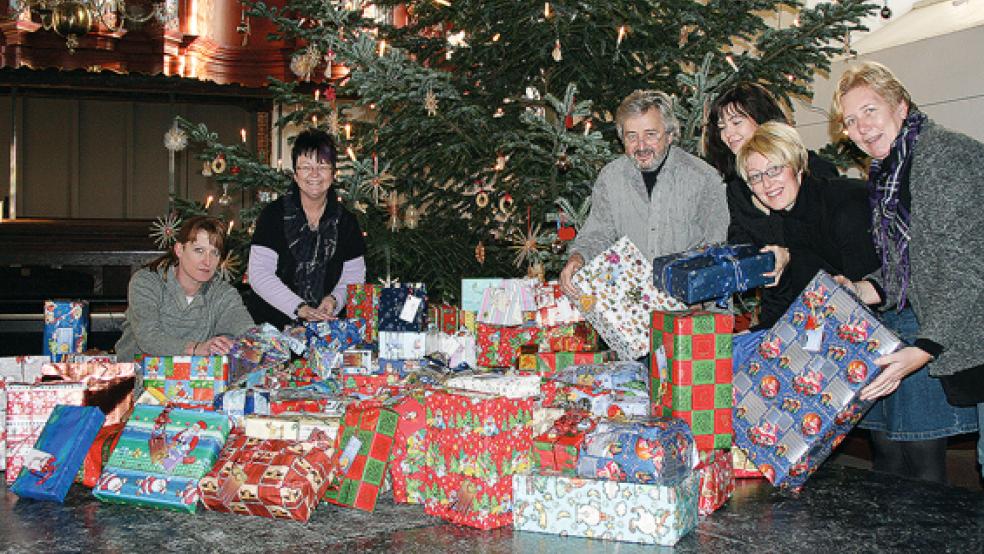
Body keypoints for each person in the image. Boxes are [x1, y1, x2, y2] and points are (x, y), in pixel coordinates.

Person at [831, 61, 979, 484]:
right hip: (947, 323)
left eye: (870, 111)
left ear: (900, 104)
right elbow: (909, 265)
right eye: (851, 121)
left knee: (928, 478)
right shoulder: (890, 170)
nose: (861, 128)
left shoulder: (941, 155)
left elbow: (966, 265)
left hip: (963, 325)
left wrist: (924, 347)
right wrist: (859, 289)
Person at [559, 89, 729, 296]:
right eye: (632, 136)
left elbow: (719, 249)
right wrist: (578, 258)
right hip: (633, 309)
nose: (641, 146)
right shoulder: (611, 178)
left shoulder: (704, 179)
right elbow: (598, 233)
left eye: (650, 135)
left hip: (694, 309)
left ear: (669, 135)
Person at [733, 121, 880, 329]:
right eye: (756, 177)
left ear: (797, 166)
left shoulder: (845, 206)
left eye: (774, 170)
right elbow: (795, 299)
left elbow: (869, 300)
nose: (767, 184)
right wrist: (754, 336)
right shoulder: (789, 217)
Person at [247, 129, 367, 329]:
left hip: (328, 330)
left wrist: (334, 300)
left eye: (322, 165)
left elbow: (354, 277)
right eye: (306, 166)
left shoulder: (347, 221)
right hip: (272, 331)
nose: (314, 174)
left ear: (333, 173)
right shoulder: (273, 215)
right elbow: (259, 274)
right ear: (295, 174)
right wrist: (299, 308)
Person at [704, 82, 840, 247]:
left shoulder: (813, 169)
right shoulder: (736, 187)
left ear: (761, 117)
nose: (728, 134)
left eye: (736, 122)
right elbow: (739, 242)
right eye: (722, 127)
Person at [115, 216, 255, 361]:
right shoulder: (146, 282)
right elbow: (149, 338)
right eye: (199, 250)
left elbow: (248, 332)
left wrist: (258, 343)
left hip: (195, 379)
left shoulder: (222, 293)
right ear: (179, 250)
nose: (207, 261)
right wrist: (197, 348)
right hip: (137, 376)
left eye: (215, 253)